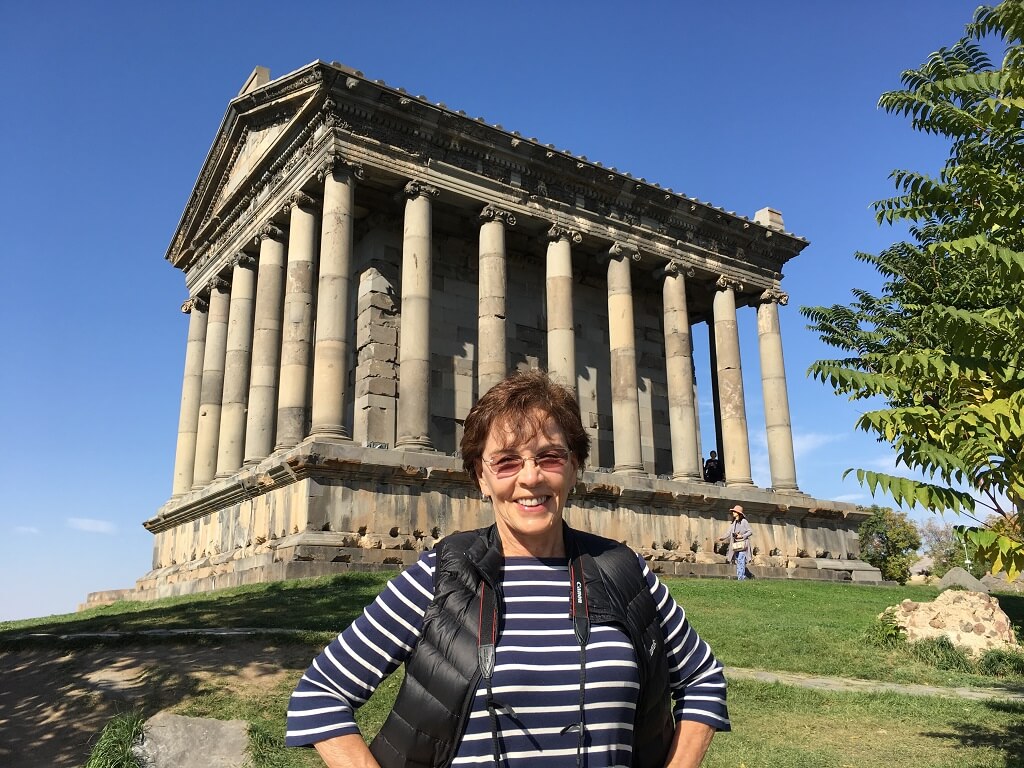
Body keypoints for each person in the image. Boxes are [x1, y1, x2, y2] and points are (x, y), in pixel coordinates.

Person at [286, 369, 730, 768]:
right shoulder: (441, 575)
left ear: (575, 467)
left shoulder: (622, 572)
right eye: (506, 461)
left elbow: (703, 679)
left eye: (550, 457)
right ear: (481, 477)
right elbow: (318, 696)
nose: (530, 478)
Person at [717, 505, 753, 581]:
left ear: (739, 513)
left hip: (742, 544)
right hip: (736, 545)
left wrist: (742, 536)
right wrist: (722, 537)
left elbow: (750, 532)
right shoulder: (733, 523)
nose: (733, 513)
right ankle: (741, 576)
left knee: (741, 559)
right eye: (733, 511)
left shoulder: (744, 522)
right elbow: (728, 532)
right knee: (738, 561)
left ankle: (741, 578)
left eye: (735, 511)